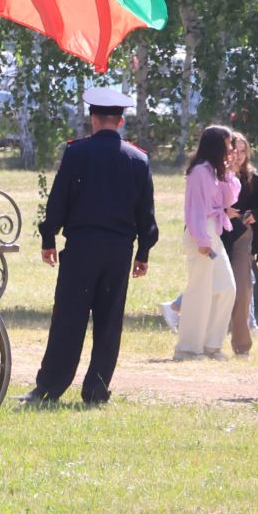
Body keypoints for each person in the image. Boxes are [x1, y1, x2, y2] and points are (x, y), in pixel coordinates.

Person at [24, 86, 157, 405]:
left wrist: (48, 237)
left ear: (93, 119)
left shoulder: (76, 153)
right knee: (109, 322)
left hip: (82, 246)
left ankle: (49, 388)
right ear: (120, 122)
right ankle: (96, 390)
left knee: (69, 317)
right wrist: (143, 252)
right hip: (119, 250)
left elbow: (58, 200)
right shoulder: (139, 159)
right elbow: (145, 212)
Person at [173, 125, 239, 361]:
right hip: (201, 233)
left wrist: (229, 170)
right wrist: (202, 238)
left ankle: (211, 344)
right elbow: (196, 209)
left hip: (214, 232)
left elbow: (230, 199)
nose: (232, 148)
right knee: (199, 290)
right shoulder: (201, 171)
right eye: (229, 143)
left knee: (227, 288)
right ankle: (188, 348)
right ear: (218, 143)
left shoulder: (214, 171)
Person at [225, 133, 258, 353]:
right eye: (235, 149)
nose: (239, 155)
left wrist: (256, 213)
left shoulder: (255, 178)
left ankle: (242, 346)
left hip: (241, 238)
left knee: (243, 288)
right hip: (215, 235)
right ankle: (206, 340)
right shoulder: (214, 175)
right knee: (213, 287)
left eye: (243, 151)